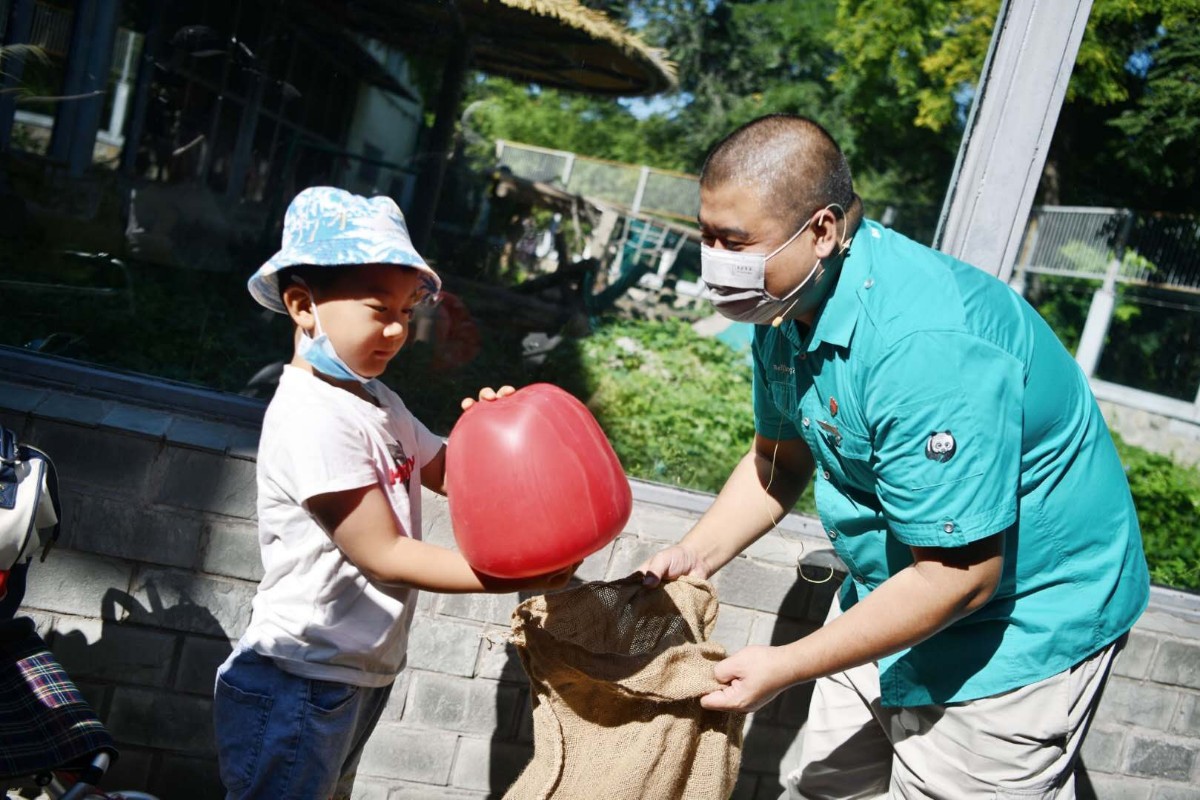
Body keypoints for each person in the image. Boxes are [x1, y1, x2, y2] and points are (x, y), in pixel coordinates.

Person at [639, 115, 1149, 799]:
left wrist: (785, 664)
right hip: (893, 592)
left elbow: (958, 578)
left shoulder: (928, 346)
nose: (714, 261)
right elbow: (778, 462)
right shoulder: (785, 308)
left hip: (1015, 629)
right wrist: (693, 556)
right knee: (820, 786)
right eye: (706, 235)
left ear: (821, 231)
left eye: (734, 242)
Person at [215, 186, 574, 800]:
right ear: (303, 306)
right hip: (298, 680)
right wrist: (509, 575)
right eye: (379, 308)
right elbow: (382, 550)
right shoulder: (313, 416)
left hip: (353, 674)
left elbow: (450, 473)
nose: (397, 329)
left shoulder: (376, 401)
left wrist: (498, 435)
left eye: (407, 312)